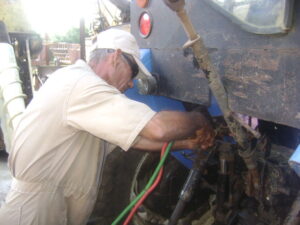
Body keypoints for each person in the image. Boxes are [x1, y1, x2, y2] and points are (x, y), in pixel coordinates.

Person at [0, 28, 214, 225]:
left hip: (48, 207)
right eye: (132, 73)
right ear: (115, 57)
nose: (131, 83)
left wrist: (187, 143)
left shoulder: (81, 89)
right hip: (36, 213)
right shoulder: (81, 84)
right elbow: (158, 128)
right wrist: (201, 119)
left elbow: (137, 139)